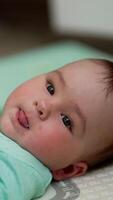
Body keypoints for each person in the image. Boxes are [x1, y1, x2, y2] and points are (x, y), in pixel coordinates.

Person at [0, 58, 113, 199]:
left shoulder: (19, 168)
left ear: (67, 169)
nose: (43, 105)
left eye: (66, 120)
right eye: (50, 88)